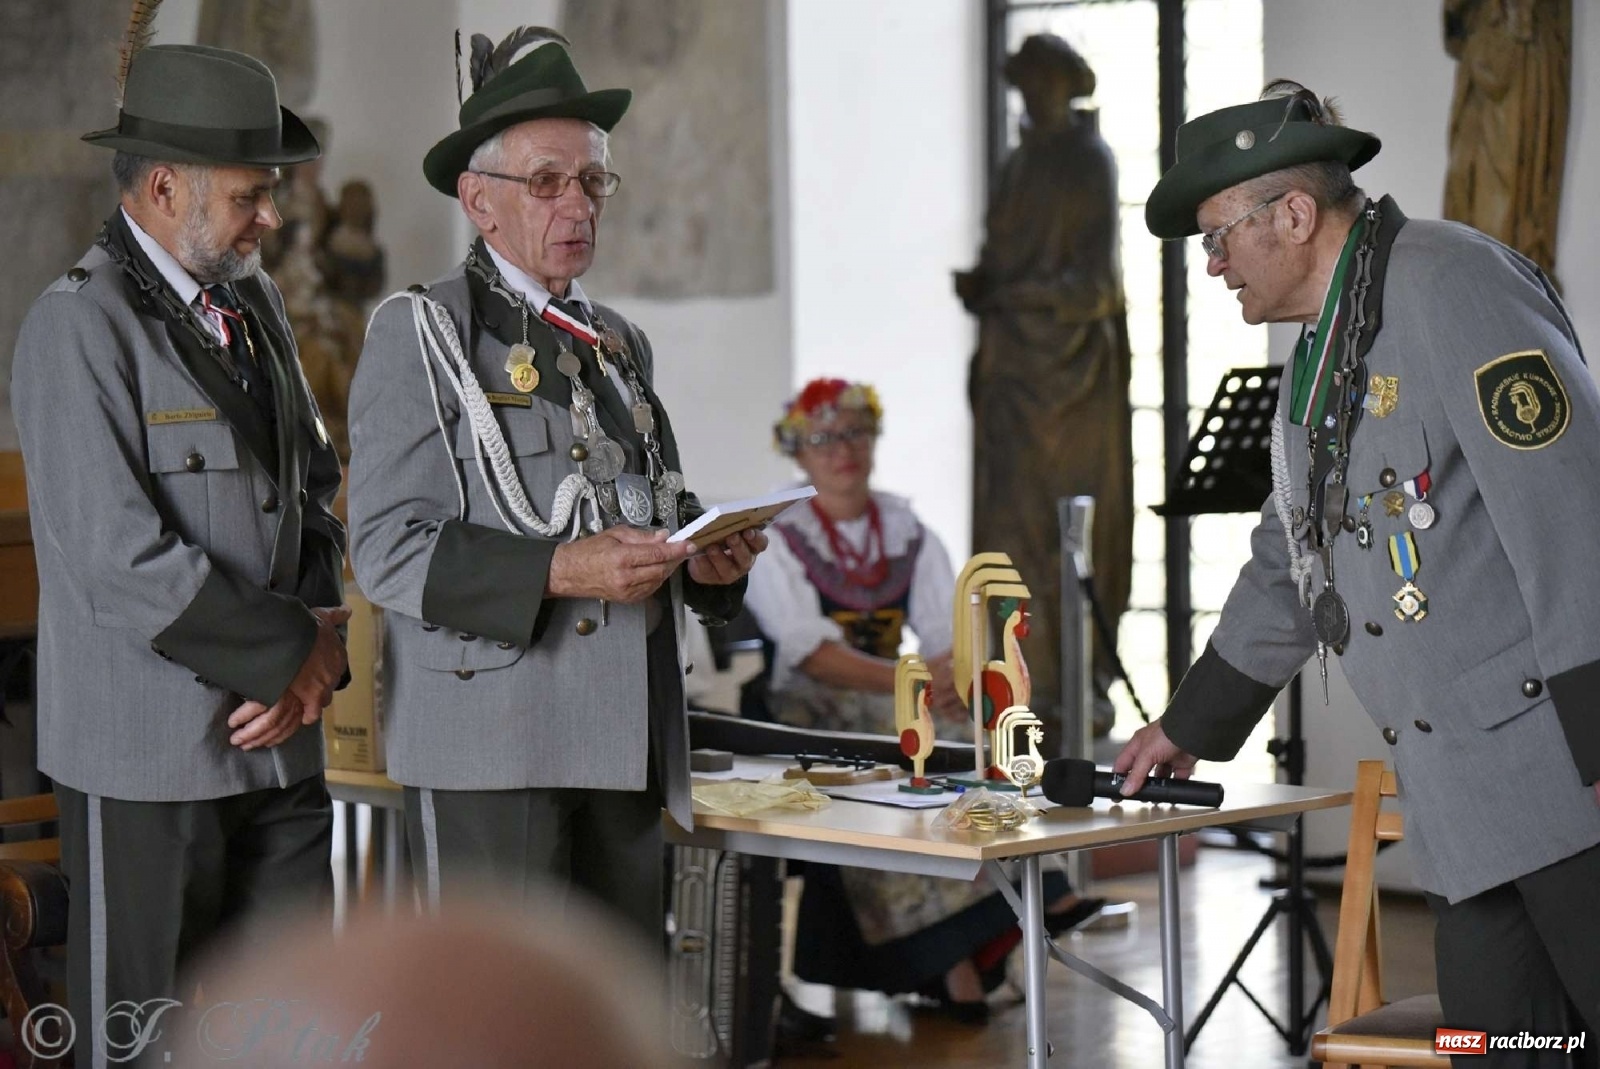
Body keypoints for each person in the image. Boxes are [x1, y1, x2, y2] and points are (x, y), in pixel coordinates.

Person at [1118, 80, 1600, 1061]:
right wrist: (1190, 722)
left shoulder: (1448, 281)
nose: (1209, 265)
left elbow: (1573, 514)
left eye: (1217, 235)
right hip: (1468, 807)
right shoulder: (1321, 347)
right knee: (1506, 1053)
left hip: (1565, 781)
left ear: (1292, 214)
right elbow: (1290, 550)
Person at [346, 35, 764, 941]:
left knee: (610, 1018)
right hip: (493, 744)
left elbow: (648, 498)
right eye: (547, 182)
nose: (577, 204)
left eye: (592, 182)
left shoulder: (616, 340)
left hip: (623, 736)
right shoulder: (423, 334)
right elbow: (385, 551)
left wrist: (709, 560)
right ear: (479, 201)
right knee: (501, 1022)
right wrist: (560, 570)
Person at [11, 44, 348, 1069]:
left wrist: (323, 653)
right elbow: (118, 557)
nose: (274, 222)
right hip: (146, 755)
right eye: (253, 197)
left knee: (301, 1027)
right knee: (142, 1041)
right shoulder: (77, 327)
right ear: (164, 187)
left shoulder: (258, 308)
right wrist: (286, 654)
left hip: (283, 742)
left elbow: (314, 495)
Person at [744, 378, 1103, 1024]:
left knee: (979, 730)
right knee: (906, 742)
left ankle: (1023, 892)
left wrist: (956, 681)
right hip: (803, 709)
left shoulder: (904, 527)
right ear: (797, 452)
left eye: (855, 433)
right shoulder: (778, 531)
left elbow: (947, 634)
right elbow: (807, 651)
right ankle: (951, 953)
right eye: (823, 438)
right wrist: (911, 681)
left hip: (890, 693)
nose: (841, 450)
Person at [955, 33, 1134, 737]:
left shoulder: (1089, 160)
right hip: (1013, 376)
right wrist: (986, 286)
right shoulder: (1017, 163)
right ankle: (1020, 682)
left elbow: (1093, 284)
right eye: (1023, 84)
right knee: (1012, 528)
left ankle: (1076, 683)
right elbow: (1002, 257)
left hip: (1074, 373)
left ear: (1067, 84)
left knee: (1075, 529)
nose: (1033, 96)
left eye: (1043, 82)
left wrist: (1016, 293)